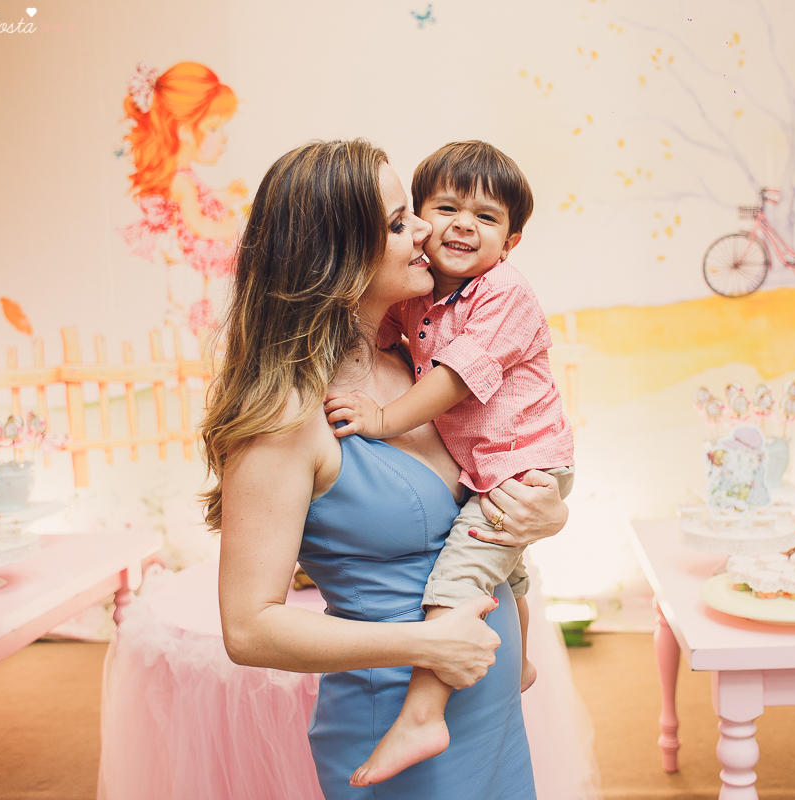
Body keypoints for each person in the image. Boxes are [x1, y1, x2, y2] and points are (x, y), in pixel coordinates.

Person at [203, 139, 568, 799]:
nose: (428, 230)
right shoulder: (286, 419)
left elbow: (493, 484)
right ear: (339, 261)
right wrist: (424, 647)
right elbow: (248, 627)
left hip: (485, 710)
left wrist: (549, 513)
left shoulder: (416, 367)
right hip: (396, 724)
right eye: (401, 223)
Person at [324, 141, 574, 787]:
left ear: (511, 243)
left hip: (519, 461)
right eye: (440, 208)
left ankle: (423, 713)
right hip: (489, 467)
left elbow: (458, 377)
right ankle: (518, 664)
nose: (463, 224)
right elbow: (381, 333)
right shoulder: (424, 295)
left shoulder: (503, 294)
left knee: (465, 574)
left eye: (486, 218)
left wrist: (381, 419)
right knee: (506, 572)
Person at [120, 61, 247, 333]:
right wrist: (226, 229)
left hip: (189, 258)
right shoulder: (180, 182)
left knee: (195, 310)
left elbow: (204, 198)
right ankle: (185, 354)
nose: (223, 138)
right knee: (185, 311)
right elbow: (196, 222)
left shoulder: (185, 176)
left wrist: (226, 196)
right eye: (214, 128)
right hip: (186, 256)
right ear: (185, 131)